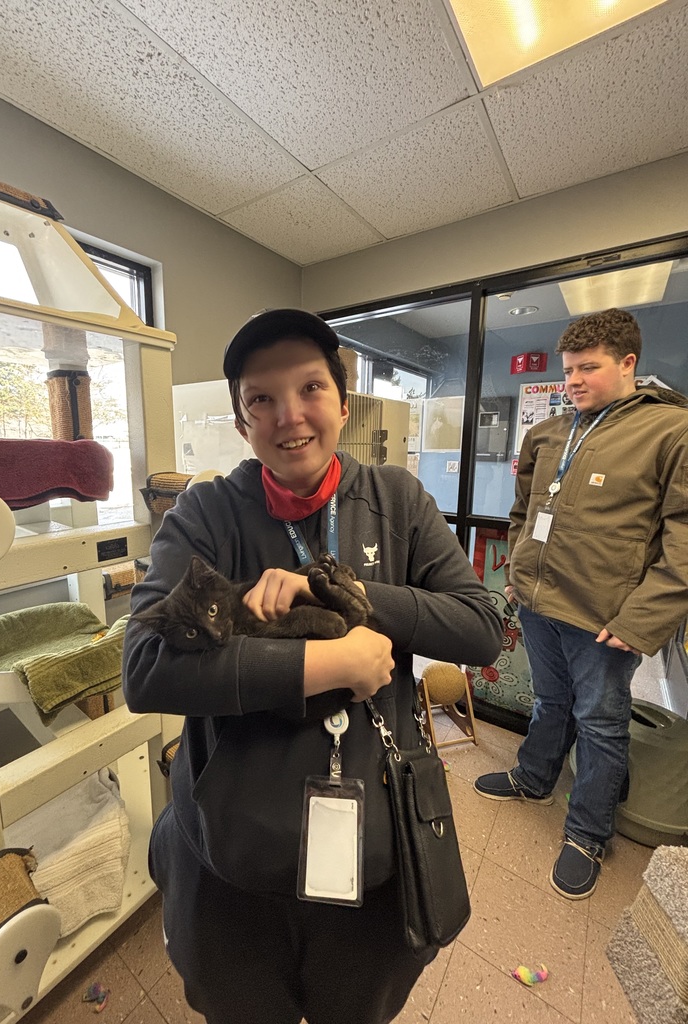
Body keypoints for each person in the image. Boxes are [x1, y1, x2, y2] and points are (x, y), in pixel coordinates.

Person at [123, 308, 502, 1024]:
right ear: (241, 423)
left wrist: (349, 596)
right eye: (260, 399)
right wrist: (326, 662)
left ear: (342, 403)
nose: (287, 416)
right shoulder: (204, 513)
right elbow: (145, 670)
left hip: (371, 852)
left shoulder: (397, 500)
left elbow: (483, 629)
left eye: (310, 389)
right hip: (228, 856)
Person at [474, 308, 688, 900]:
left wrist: (643, 620)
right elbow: (523, 513)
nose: (573, 380)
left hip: (605, 619)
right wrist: (517, 573)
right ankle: (534, 778)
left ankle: (588, 834)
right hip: (540, 603)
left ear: (627, 363)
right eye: (568, 370)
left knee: (600, 724)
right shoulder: (547, 433)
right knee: (550, 701)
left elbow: (684, 541)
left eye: (587, 368)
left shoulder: (670, 432)